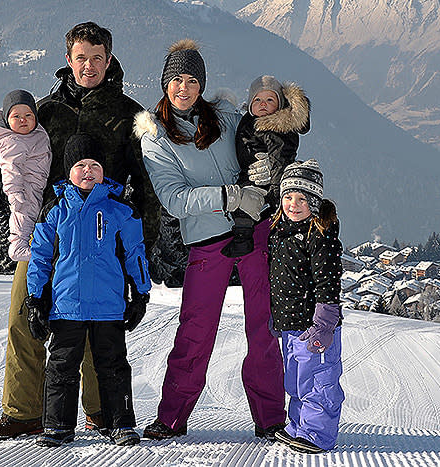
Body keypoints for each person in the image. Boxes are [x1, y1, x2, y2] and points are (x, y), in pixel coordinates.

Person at [0, 21, 159, 441]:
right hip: (48, 233)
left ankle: (102, 411)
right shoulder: (47, 111)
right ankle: (25, 411)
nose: (89, 65)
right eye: (81, 57)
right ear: (68, 60)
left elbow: (145, 186)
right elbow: (16, 157)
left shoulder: (130, 114)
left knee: (99, 331)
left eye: (97, 58)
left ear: (109, 59)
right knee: (26, 317)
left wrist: (140, 248)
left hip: (103, 235)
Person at [133, 39, 287, 440]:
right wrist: (229, 195)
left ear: (202, 84)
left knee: (264, 329)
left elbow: (265, 132)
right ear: (165, 83)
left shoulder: (225, 117)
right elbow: (174, 199)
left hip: (253, 230)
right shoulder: (156, 136)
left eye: (192, 80)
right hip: (207, 241)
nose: (184, 88)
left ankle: (271, 419)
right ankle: (171, 418)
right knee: (196, 331)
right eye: (176, 80)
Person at [24, 134, 150, 447]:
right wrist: (36, 299)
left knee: (113, 366)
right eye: (80, 165)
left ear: (104, 171)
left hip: (108, 305)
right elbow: (39, 257)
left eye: (94, 165)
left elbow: (136, 253)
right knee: (62, 366)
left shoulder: (120, 210)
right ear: (69, 171)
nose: (88, 171)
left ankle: (121, 423)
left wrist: (140, 295)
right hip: (66, 305)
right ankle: (57, 426)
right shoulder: (55, 210)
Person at [268, 159, 345, 453]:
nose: (293, 204)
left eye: (302, 198)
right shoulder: (280, 232)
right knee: (297, 380)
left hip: (315, 326)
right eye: (288, 196)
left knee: (319, 380)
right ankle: (298, 426)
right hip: (290, 324)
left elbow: (328, 284)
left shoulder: (320, 236)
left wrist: (324, 325)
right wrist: (278, 316)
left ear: (315, 201)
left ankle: (318, 433)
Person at [221, 75, 310, 258]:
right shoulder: (249, 122)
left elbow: (280, 158)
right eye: (258, 100)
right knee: (242, 203)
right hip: (251, 175)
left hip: (272, 181)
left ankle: (245, 240)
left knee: (247, 203)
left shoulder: (276, 126)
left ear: (279, 104)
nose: (263, 104)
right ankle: (243, 238)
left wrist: (277, 188)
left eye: (270, 100)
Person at [0, 89, 52, 262]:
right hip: (24, 187)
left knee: (32, 217)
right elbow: (10, 170)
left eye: (28, 115)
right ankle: (18, 247)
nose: (23, 120)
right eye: (16, 116)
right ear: (7, 120)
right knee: (24, 214)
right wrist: (15, 194)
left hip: (36, 184)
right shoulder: (12, 142)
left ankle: (26, 243)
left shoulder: (31, 134)